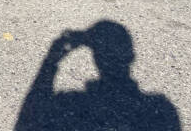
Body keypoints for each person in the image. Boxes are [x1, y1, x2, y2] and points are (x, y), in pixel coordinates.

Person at [15, 20, 181, 130]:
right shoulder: (162, 109)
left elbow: (30, 117)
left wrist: (51, 61)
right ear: (131, 56)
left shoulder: (71, 102)